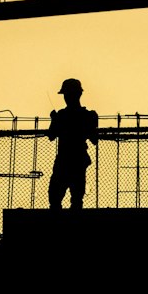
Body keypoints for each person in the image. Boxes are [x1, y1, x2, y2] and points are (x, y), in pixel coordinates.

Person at [47, 77, 99, 209]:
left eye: (67, 94)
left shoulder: (63, 116)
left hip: (66, 161)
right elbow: (94, 139)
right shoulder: (87, 116)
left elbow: (51, 135)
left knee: (57, 197)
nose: (66, 97)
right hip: (77, 160)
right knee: (74, 198)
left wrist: (54, 120)